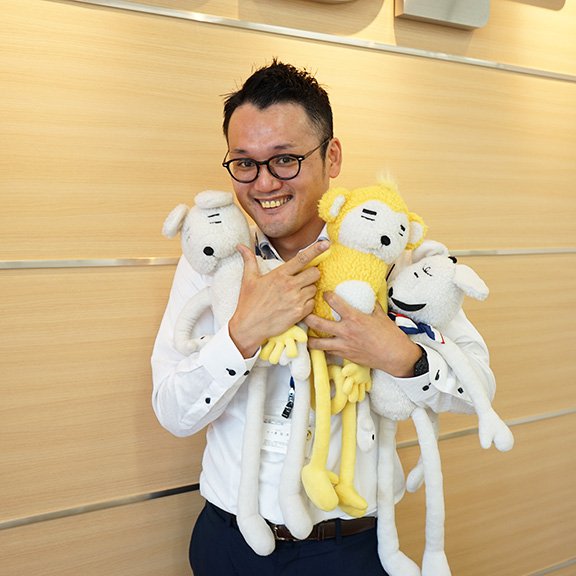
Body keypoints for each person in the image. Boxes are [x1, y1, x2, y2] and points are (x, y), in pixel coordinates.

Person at [151, 60, 495, 576]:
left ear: (331, 156)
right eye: (244, 163)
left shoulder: (391, 254)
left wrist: (399, 355)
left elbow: (479, 389)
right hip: (229, 543)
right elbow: (173, 412)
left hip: (346, 549)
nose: (263, 183)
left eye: (285, 159)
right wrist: (242, 334)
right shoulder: (214, 260)